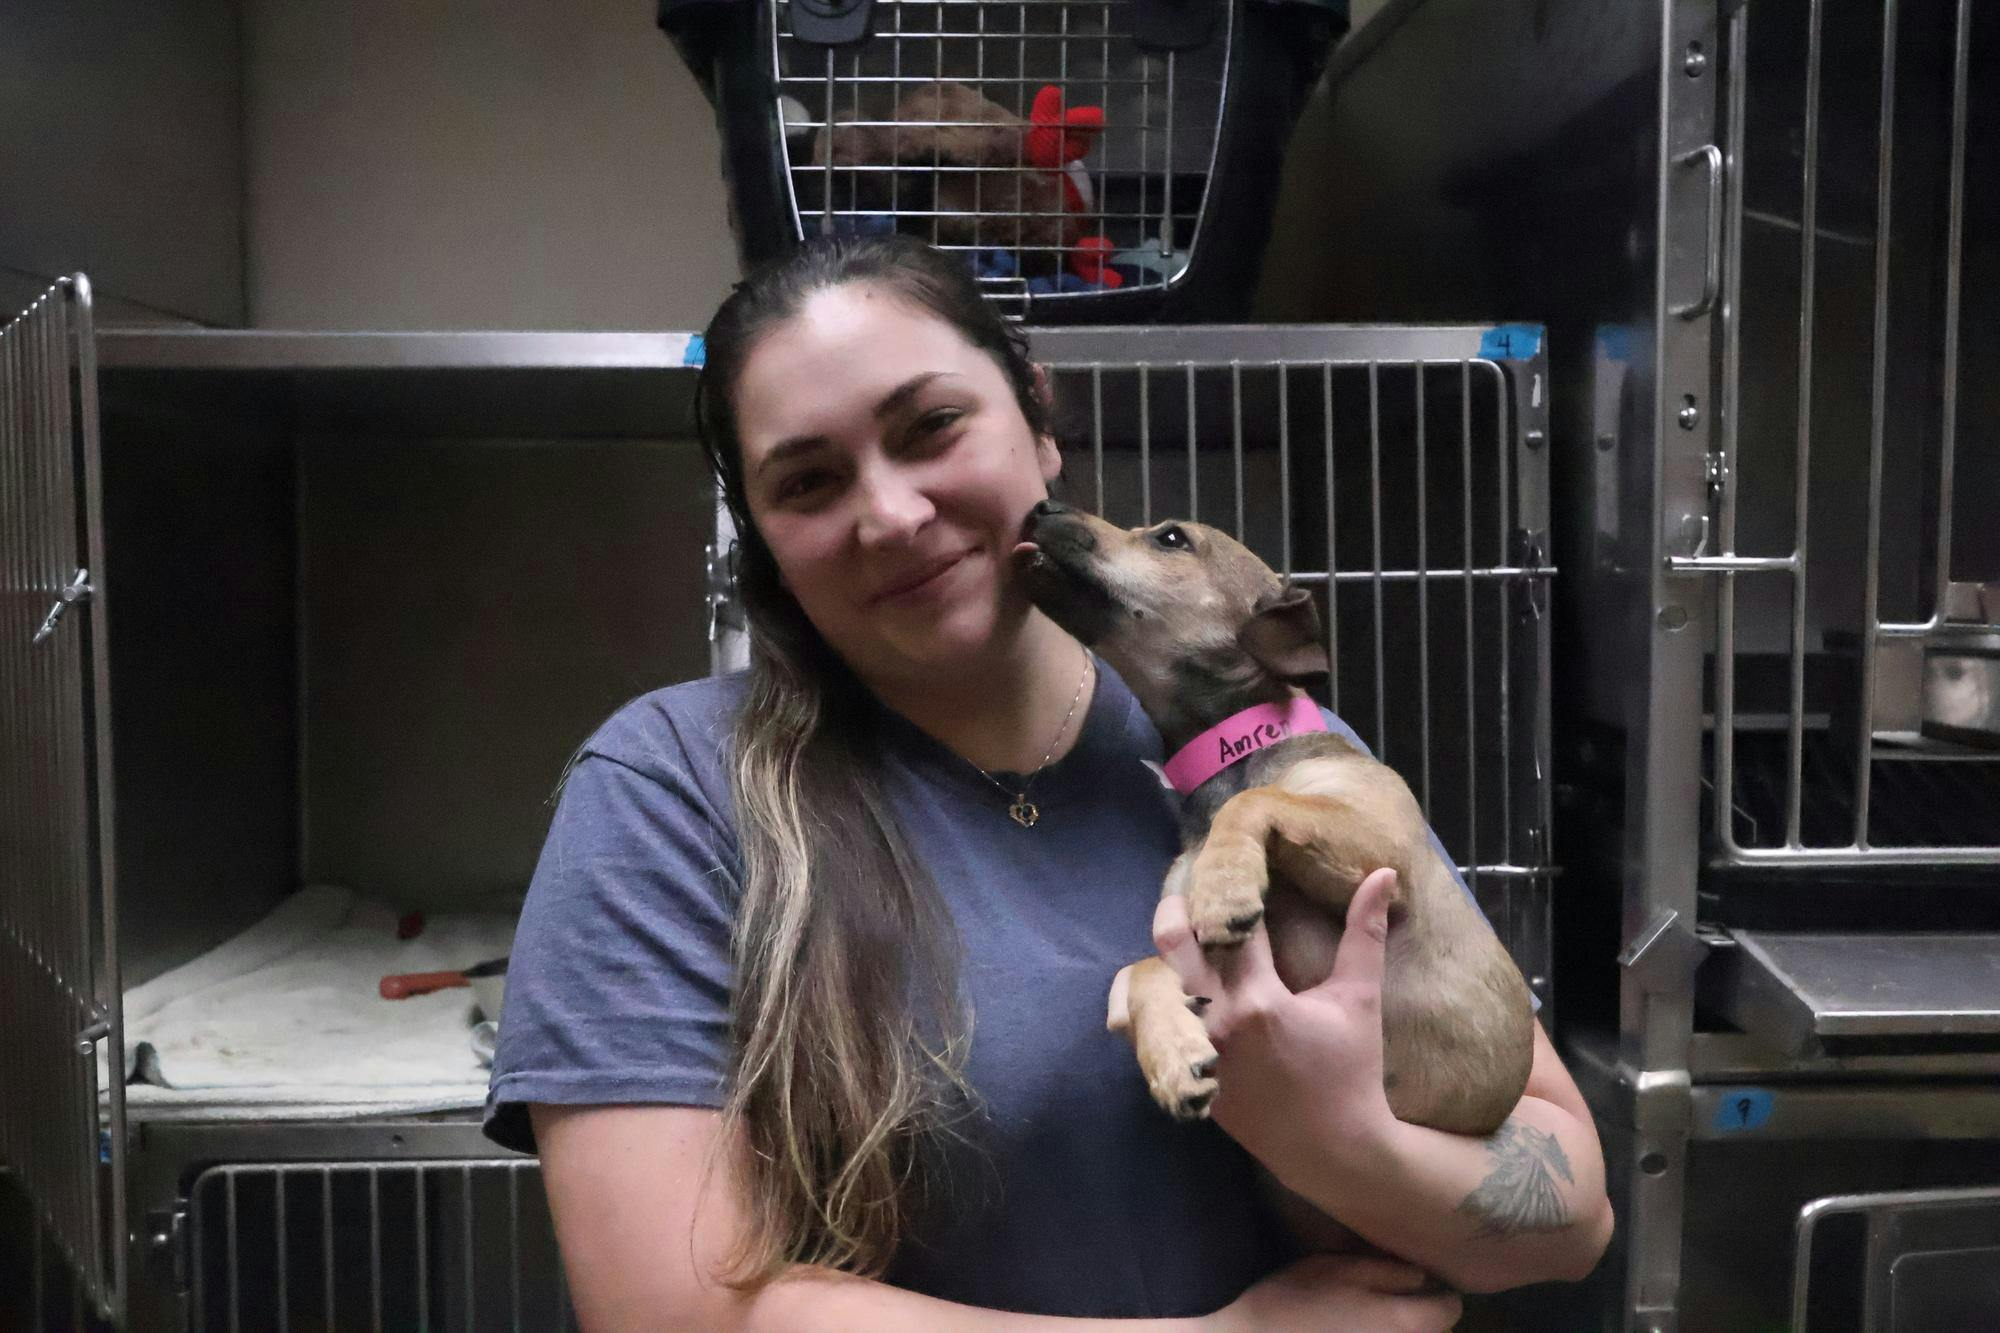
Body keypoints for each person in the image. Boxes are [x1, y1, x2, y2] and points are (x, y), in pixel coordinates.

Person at [484, 234, 1613, 1331]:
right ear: (763, 538)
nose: (890, 514)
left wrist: (1334, 1143)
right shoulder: (670, 791)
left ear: (1037, 416)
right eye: (810, 481)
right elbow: (665, 1311)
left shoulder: (1256, 758)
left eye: (930, 426)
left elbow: (1568, 1218)